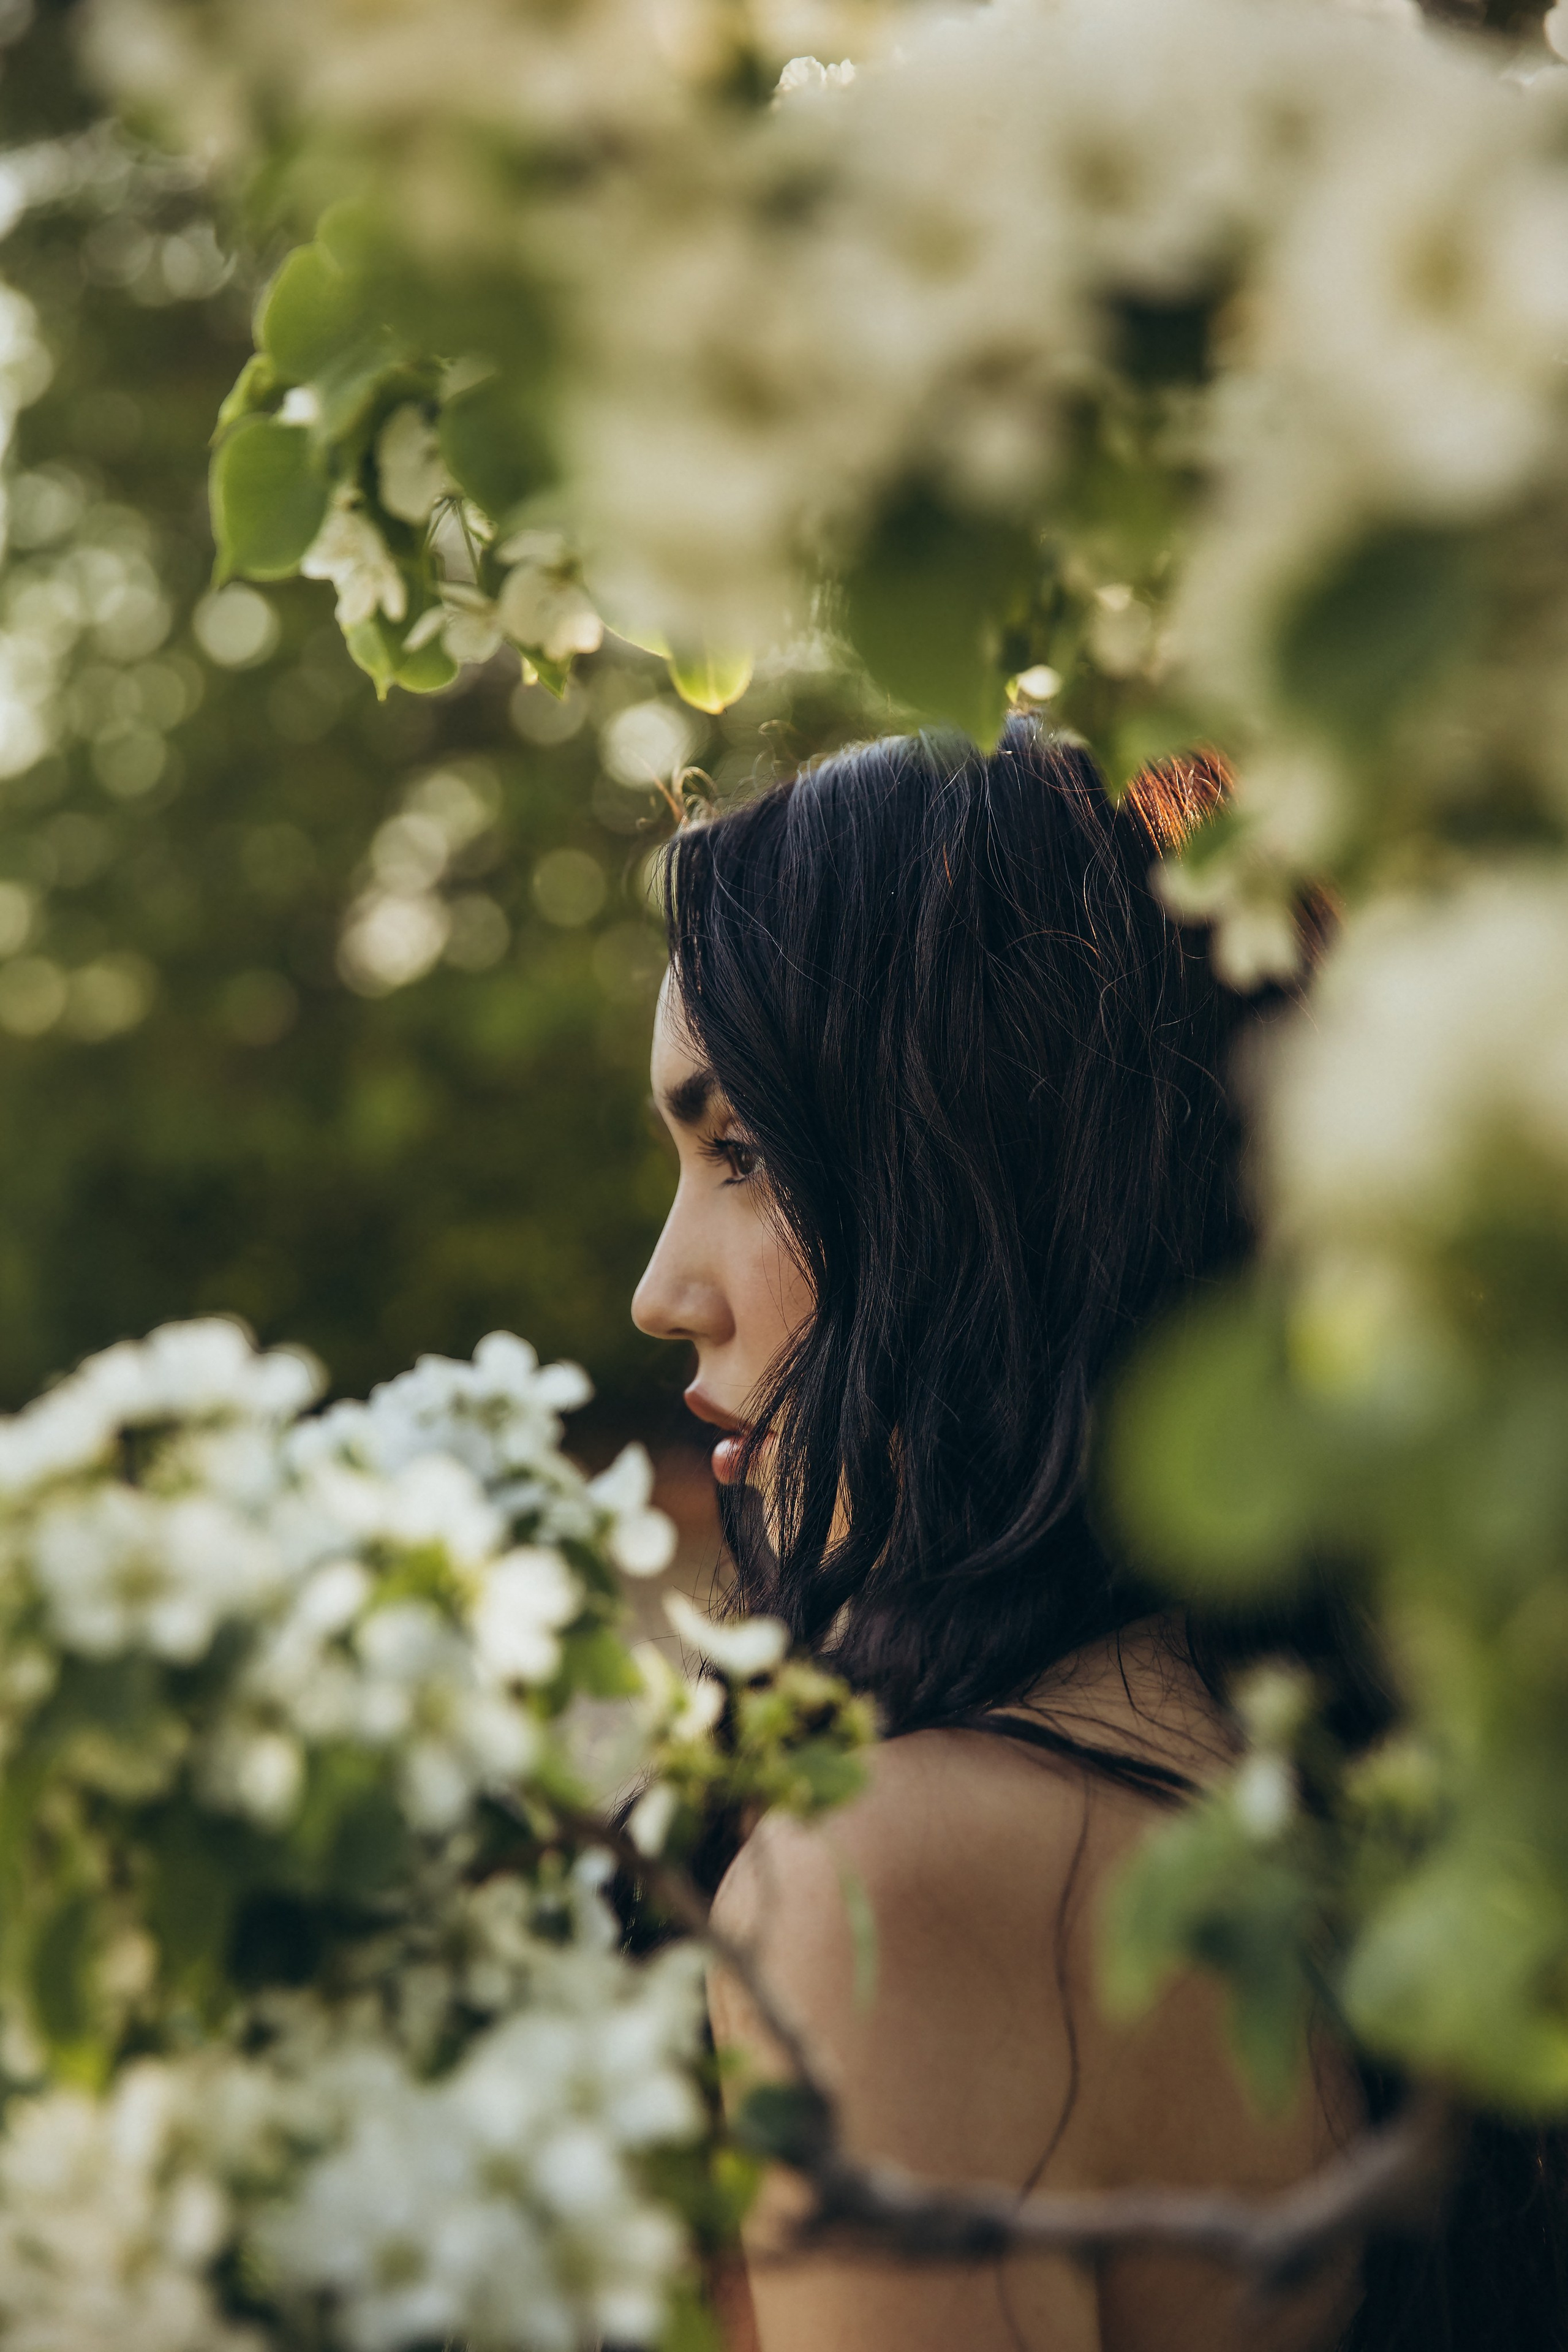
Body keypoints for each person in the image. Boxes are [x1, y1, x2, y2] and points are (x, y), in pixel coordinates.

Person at [630, 719, 1567, 2352]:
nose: (663, 1291)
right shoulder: (1401, 1787)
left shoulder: (890, 1872)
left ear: (995, 1163)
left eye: (748, 1155)